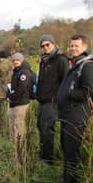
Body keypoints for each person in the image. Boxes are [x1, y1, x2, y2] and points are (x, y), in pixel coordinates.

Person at [55, 34, 93, 183]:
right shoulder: (76, 64)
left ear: (85, 47)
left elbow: (87, 91)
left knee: (71, 149)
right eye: (72, 45)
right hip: (68, 114)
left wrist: (69, 93)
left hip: (77, 115)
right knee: (66, 148)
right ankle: (66, 180)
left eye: (77, 46)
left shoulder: (88, 66)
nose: (73, 48)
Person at [35, 34, 69, 164]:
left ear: (53, 44)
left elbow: (65, 81)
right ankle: (43, 154)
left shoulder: (61, 59)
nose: (45, 47)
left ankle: (48, 159)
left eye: (47, 44)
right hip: (43, 100)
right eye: (42, 46)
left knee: (47, 128)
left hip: (53, 101)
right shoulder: (44, 60)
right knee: (41, 127)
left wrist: (59, 98)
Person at [8, 52, 34, 156]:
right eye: (14, 60)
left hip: (21, 103)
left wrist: (11, 97)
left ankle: (19, 150)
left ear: (21, 60)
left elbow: (22, 88)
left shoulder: (24, 72)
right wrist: (9, 95)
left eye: (17, 60)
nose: (15, 62)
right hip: (14, 102)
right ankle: (13, 148)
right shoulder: (16, 71)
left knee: (19, 126)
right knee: (12, 125)